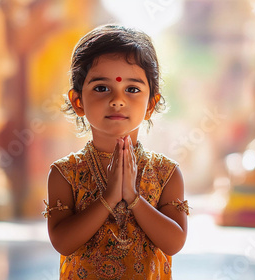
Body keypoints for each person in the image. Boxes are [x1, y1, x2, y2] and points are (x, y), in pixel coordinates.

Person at [42, 24, 189, 279]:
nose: (117, 99)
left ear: (151, 105)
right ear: (78, 101)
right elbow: (63, 243)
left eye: (132, 89)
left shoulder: (166, 173)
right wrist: (108, 198)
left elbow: (174, 243)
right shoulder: (65, 174)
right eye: (101, 88)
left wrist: (133, 197)